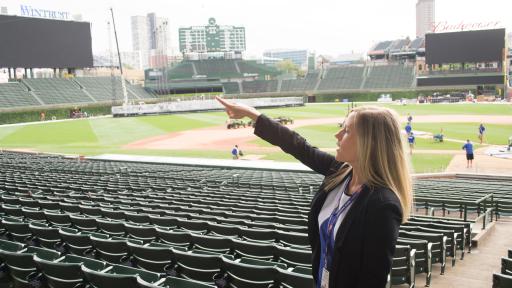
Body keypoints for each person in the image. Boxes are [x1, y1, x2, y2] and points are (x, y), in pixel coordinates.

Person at [216, 96, 412, 288]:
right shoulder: (340, 172)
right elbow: (297, 145)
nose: (337, 136)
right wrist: (252, 114)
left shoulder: (383, 205)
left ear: (369, 143)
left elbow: (373, 280)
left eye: (346, 131)